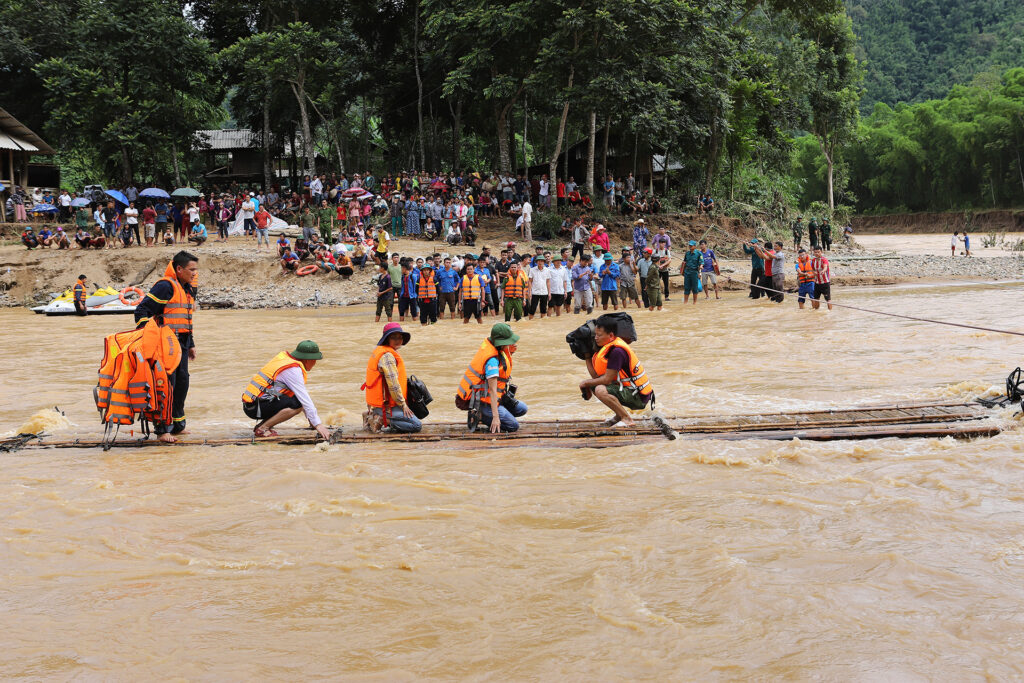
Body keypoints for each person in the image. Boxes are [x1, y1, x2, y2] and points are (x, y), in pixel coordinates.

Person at [133, 251, 197, 443]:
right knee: (166, 385)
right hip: (165, 345)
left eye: (196, 270)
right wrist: (149, 339)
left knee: (182, 383)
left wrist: (191, 344)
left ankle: (178, 425)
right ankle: (162, 430)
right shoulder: (165, 286)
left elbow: (186, 318)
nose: (195, 273)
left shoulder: (187, 288)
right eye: (191, 269)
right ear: (179, 269)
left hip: (182, 344)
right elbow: (142, 310)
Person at [242, 341, 332, 440]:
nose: (315, 363)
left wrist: (313, 422)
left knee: (296, 400)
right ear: (307, 360)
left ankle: (263, 425)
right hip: (255, 408)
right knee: (298, 405)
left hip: (254, 404)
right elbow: (304, 399)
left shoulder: (286, 359)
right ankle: (263, 428)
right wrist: (318, 425)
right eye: (315, 360)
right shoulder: (293, 370)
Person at [580, 316, 654, 428]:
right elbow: (596, 376)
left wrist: (585, 383)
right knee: (596, 386)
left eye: (599, 335)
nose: (595, 338)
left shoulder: (617, 352)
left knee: (600, 389)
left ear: (610, 335)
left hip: (638, 396)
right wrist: (587, 355)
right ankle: (619, 416)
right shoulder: (608, 347)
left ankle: (627, 419)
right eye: (595, 334)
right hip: (629, 390)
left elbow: (607, 380)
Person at [456, 323, 527, 433]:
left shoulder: (494, 346)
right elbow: (493, 390)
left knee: (522, 409)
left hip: (497, 397)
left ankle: (496, 413)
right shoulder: (491, 361)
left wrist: (510, 351)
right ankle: (480, 415)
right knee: (513, 426)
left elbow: (502, 366)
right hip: (485, 401)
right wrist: (496, 418)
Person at [362, 323, 422, 433]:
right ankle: (379, 419)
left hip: (382, 405)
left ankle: (372, 415)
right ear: (387, 339)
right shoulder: (388, 356)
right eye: (393, 337)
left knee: (418, 411)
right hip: (386, 407)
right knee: (416, 425)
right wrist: (403, 405)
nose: (397, 340)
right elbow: (393, 385)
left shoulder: (383, 351)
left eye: (400, 337)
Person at [461, 259, 488, 324]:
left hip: (476, 301)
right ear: (466, 270)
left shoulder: (479, 278)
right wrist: (459, 302)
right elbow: (460, 291)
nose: (469, 270)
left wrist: (483, 301)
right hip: (467, 301)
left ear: (473, 270)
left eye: (471, 269)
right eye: (468, 269)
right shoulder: (463, 278)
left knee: (479, 318)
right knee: (466, 318)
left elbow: (483, 290)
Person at [651, 227, 671, 299]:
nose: (662, 244)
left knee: (666, 283)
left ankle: (666, 296)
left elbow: (669, 260)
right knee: (656, 283)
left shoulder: (666, 251)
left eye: (663, 243)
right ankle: (656, 295)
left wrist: (662, 265)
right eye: (660, 243)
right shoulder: (655, 251)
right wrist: (658, 266)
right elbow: (652, 259)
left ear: (665, 243)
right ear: (658, 243)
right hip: (657, 269)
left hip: (665, 269)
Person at [811, 246, 833, 311]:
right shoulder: (813, 260)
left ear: (821, 252)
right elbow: (812, 269)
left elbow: (825, 266)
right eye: (815, 252)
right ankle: (816, 312)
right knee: (816, 298)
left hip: (825, 282)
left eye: (818, 252)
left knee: (828, 299)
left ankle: (830, 312)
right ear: (813, 253)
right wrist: (813, 272)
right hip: (817, 283)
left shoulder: (824, 259)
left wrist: (823, 270)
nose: (817, 253)